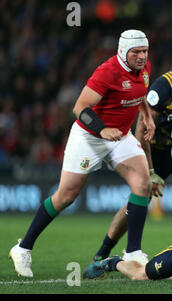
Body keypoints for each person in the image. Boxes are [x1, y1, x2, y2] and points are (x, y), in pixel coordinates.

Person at [8, 30, 155, 278]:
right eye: (136, 52)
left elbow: (139, 93)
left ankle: (133, 254)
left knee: (143, 184)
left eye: (144, 51)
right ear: (122, 52)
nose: (141, 56)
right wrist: (102, 129)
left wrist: (147, 116)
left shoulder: (144, 68)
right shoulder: (107, 72)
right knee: (66, 196)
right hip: (89, 137)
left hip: (119, 137)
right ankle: (23, 248)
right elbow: (79, 107)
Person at [88, 39, 172, 265]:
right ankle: (103, 251)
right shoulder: (165, 85)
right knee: (141, 197)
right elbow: (142, 126)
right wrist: (149, 170)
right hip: (154, 149)